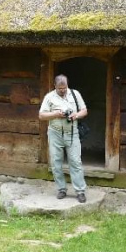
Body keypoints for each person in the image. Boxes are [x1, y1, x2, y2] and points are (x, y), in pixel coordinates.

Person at [38, 74, 88, 203]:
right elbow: (42, 115)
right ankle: (61, 189)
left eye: (64, 88)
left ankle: (80, 191)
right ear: (55, 86)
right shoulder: (49, 97)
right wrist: (55, 114)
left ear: (67, 85)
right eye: (60, 88)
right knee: (55, 163)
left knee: (75, 162)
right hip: (55, 133)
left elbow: (84, 111)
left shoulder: (75, 94)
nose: (62, 90)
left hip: (72, 133)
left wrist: (75, 116)